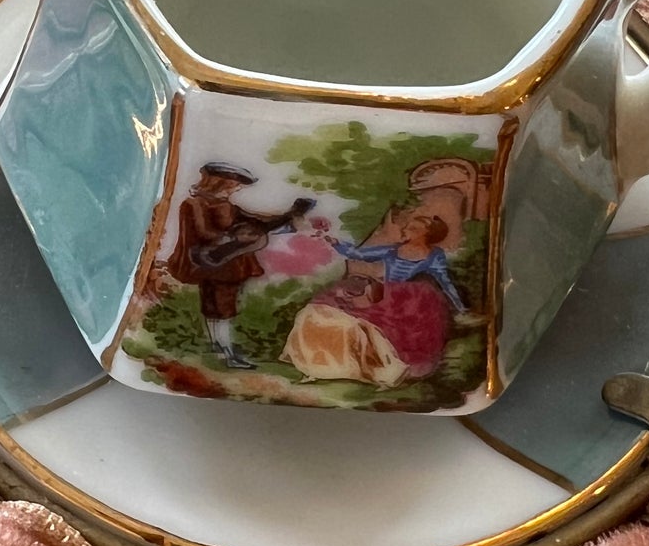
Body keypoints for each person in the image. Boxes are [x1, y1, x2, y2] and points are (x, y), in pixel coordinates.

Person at [283, 210, 471, 387]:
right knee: (324, 309)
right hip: (383, 290)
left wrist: (461, 307)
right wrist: (335, 243)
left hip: (407, 297)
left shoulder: (434, 256)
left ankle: (377, 366)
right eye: (408, 226)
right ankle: (323, 363)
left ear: (426, 234)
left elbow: (445, 281)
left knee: (376, 326)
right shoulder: (394, 250)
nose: (405, 230)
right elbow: (359, 254)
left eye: (413, 228)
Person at [165, 163, 314, 368]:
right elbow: (203, 232)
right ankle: (226, 352)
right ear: (220, 183)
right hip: (213, 262)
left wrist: (288, 215)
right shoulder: (194, 205)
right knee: (217, 306)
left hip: (226, 263)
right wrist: (234, 236)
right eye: (234, 185)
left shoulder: (229, 207)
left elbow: (257, 220)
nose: (236, 189)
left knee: (220, 305)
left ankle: (219, 346)